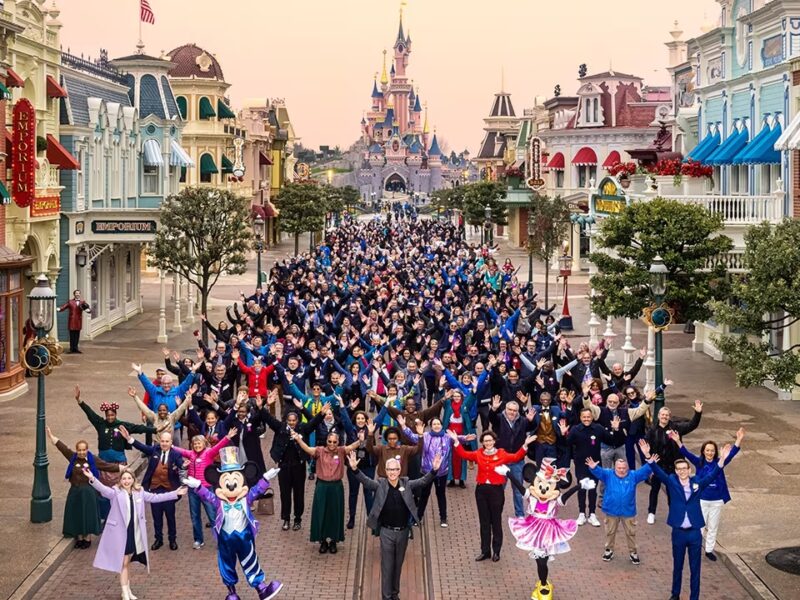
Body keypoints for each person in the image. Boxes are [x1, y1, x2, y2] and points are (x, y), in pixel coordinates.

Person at [646, 439, 734, 600]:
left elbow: (712, 474)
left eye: (684, 468)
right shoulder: (671, 481)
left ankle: (695, 597)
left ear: (689, 469)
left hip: (694, 532)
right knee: (677, 566)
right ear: (676, 471)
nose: (681, 471)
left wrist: (721, 460)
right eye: (678, 469)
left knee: (695, 568)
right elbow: (658, 472)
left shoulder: (697, 482)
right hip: (678, 531)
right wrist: (647, 456)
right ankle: (675, 594)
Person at [347, 451, 440, 600]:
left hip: (403, 532)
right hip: (386, 532)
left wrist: (434, 470)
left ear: (400, 470)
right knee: (387, 566)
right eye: (390, 469)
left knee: (398, 566)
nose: (392, 472)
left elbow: (423, 481)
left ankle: (395, 594)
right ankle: (386, 596)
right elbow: (365, 481)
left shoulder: (407, 484)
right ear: (385, 470)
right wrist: (355, 469)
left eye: (395, 469)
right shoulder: (380, 485)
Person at [84, 466, 187, 600]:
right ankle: (125, 592)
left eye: (129, 478)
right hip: (120, 533)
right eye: (124, 478)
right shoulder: (115, 493)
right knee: (124, 562)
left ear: (133, 479)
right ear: (120, 480)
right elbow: (103, 489)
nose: (126, 481)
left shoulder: (140, 492)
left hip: (133, 532)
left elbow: (155, 497)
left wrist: (175, 493)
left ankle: (127, 590)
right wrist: (92, 478)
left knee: (126, 563)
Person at [448, 429, 537, 562]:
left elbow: (516, 457)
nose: (488, 443)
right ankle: (485, 551)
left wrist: (525, 445)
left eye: (490, 440)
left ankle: (496, 551)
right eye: (485, 441)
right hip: (482, 490)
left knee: (495, 521)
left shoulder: (501, 454)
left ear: (494, 441)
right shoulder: (478, 453)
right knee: (484, 522)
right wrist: (456, 441)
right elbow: (464, 454)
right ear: (482, 443)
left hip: (496, 490)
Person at [675, 427, 745, 561]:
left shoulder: (720, 462)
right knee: (699, 526)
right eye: (707, 450)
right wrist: (678, 441)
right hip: (702, 499)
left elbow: (732, 454)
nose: (710, 453)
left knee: (713, 526)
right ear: (703, 451)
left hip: (717, 499)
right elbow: (686, 453)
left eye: (712, 450)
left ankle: (708, 550)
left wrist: (739, 439)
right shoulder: (699, 462)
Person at [260, 390, 327, 531]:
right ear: (286, 421)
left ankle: (297, 518)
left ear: (297, 420)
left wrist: (321, 414)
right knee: (284, 493)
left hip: (298, 466)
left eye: (294, 421)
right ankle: (286, 519)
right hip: (283, 466)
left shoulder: (303, 428)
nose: (291, 423)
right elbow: (268, 419)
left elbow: (314, 423)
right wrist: (262, 406)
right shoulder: (280, 428)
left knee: (298, 493)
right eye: (289, 421)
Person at [46, 426, 122, 549]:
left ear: (87, 450)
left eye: (83, 450)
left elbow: (107, 466)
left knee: (87, 514)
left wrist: (122, 469)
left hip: (88, 492)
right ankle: (79, 537)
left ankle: (87, 538)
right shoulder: (73, 458)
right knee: (77, 514)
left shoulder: (93, 460)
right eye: (79, 450)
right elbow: (63, 448)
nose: (81, 452)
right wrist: (51, 436)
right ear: (76, 450)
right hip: (75, 492)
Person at [289, 429, 361, 554]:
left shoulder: (341, 451)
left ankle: (333, 541)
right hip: (322, 486)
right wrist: (298, 438)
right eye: (330, 441)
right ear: (326, 441)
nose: (332, 444)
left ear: (338, 442)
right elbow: (307, 448)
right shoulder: (319, 451)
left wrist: (362, 438)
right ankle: (322, 541)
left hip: (336, 487)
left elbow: (353, 446)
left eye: (335, 442)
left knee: (335, 513)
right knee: (321, 512)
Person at [169, 426, 237, 549]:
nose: (197, 445)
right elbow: (180, 450)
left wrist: (227, 437)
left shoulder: (209, 453)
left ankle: (221, 540)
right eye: (194, 444)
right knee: (195, 516)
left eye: (199, 443)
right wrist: (170, 445)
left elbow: (218, 447)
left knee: (212, 515)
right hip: (192, 490)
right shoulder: (191, 454)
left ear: (204, 444)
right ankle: (198, 540)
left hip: (206, 489)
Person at [400, 415, 474, 527]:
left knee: (441, 495)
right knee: (424, 495)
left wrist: (465, 438)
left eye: (438, 424)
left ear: (441, 425)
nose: (436, 426)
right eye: (434, 424)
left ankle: (443, 518)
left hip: (442, 472)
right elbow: (411, 436)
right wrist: (403, 426)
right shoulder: (424, 436)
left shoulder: (447, 437)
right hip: (426, 472)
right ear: (431, 426)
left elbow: (457, 438)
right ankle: (418, 518)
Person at [586, 441, 653, 565]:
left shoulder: (633, 475)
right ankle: (608, 550)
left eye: (624, 468)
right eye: (619, 468)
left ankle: (633, 552)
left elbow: (646, 470)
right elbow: (597, 471)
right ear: (614, 468)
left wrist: (648, 456)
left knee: (631, 533)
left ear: (627, 467)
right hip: (611, 511)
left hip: (628, 511)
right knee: (610, 532)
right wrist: (593, 467)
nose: (621, 470)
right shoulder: (608, 474)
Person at [121, 427, 185, 551]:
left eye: (167, 441)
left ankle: (172, 540)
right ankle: (158, 539)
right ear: (159, 441)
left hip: (169, 490)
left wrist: (183, 466)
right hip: (155, 490)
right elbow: (141, 447)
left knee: (170, 517)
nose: (164, 444)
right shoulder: (155, 450)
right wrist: (129, 438)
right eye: (162, 441)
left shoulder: (176, 454)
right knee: (156, 516)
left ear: (171, 442)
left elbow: (180, 464)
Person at [558, 407, 624, 527]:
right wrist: (563, 435)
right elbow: (565, 445)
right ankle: (582, 513)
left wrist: (616, 429)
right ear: (580, 417)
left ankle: (592, 514)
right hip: (580, 464)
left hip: (595, 464)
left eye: (588, 417)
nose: (586, 419)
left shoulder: (598, 429)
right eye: (584, 417)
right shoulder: (575, 430)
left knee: (593, 488)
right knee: (582, 488)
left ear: (592, 417)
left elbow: (612, 441)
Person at [645, 400, 703, 524]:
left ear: (669, 417)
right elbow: (646, 447)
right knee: (654, 489)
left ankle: (674, 512)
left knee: (673, 490)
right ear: (659, 416)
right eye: (662, 414)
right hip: (658, 466)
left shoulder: (676, 428)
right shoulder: (652, 430)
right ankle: (651, 512)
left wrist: (697, 413)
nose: (664, 417)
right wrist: (650, 466)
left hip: (673, 465)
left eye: (667, 415)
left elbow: (692, 425)